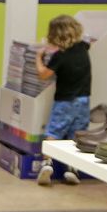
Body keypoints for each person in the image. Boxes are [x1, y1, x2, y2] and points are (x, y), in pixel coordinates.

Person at [35, 14, 91, 187]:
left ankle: (47, 163)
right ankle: (72, 168)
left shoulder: (59, 56)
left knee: (54, 132)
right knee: (76, 134)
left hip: (64, 101)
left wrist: (38, 58)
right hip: (83, 99)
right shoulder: (83, 47)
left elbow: (44, 74)